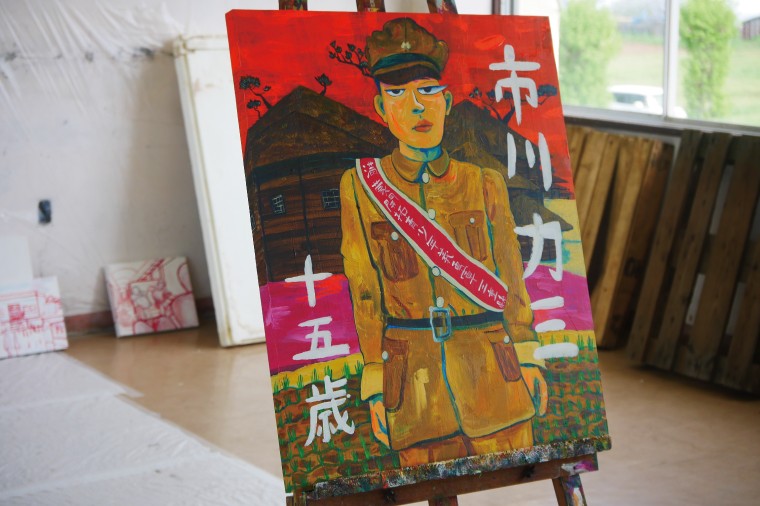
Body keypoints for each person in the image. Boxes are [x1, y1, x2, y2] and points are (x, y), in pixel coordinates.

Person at [339, 17, 547, 467]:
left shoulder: (483, 183)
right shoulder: (360, 188)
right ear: (380, 107)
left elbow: (512, 277)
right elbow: (365, 291)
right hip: (413, 390)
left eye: (428, 91)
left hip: (494, 375)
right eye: (398, 93)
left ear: (447, 101)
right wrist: (375, 383)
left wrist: (528, 356)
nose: (416, 107)